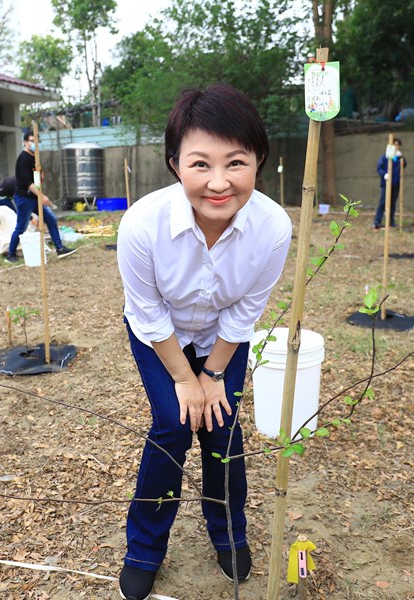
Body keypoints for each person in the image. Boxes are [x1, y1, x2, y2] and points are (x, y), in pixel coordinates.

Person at [116, 83, 292, 600]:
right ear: (175, 164)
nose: (219, 183)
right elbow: (147, 314)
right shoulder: (142, 226)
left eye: (236, 162)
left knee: (222, 430)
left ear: (259, 159)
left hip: (222, 338)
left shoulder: (273, 227)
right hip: (159, 335)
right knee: (172, 425)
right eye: (200, 165)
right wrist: (183, 379)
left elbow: (245, 311)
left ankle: (229, 534)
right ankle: (144, 548)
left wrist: (212, 374)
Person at [5, 131, 77, 263]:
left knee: (50, 219)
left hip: (34, 197)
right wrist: (42, 196)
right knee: (21, 226)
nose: (34, 144)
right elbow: (27, 183)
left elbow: (36, 178)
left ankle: (60, 248)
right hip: (24, 198)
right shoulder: (23, 159)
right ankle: (11, 254)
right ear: (26, 142)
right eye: (32, 141)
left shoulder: (34, 158)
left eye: (36, 141)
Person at [373, 138, 406, 229]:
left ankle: (391, 221)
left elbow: (404, 165)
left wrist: (401, 157)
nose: (396, 147)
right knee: (383, 202)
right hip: (386, 183)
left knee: (392, 203)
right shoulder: (385, 156)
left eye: (398, 145)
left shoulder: (399, 158)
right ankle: (377, 221)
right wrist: (384, 175)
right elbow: (379, 168)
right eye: (394, 144)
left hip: (396, 183)